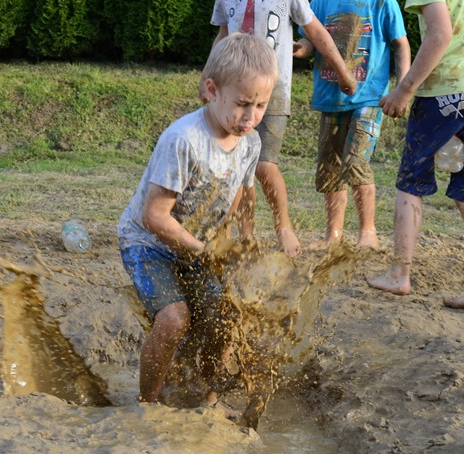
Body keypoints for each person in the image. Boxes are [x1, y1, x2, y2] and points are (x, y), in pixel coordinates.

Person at [117, 32, 278, 408]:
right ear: (211, 90)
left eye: (261, 105)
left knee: (223, 317)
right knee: (175, 320)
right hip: (148, 242)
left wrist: (234, 244)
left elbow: (236, 194)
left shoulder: (250, 142)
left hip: (195, 246)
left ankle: (207, 399)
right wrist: (204, 250)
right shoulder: (184, 139)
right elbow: (154, 216)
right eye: (242, 104)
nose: (251, 117)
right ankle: (147, 404)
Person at [367, 0, 464, 313]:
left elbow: (440, 34)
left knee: (410, 181)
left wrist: (405, 89)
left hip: (447, 90)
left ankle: (398, 273)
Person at [203, 0, 357, 258]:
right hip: (234, 93)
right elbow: (223, 36)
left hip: (272, 93)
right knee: (239, 168)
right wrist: (205, 77)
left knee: (264, 165)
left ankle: (283, 226)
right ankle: (244, 235)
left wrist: (342, 70)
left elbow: (316, 30)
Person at [293, 0, 410, 249]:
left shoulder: (382, 3)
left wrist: (403, 89)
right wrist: (299, 49)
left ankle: (368, 231)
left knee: (356, 162)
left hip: (369, 97)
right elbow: (310, 40)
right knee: (330, 167)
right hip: (330, 98)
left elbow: (401, 45)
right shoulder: (320, 3)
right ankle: (332, 235)